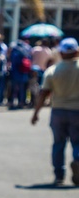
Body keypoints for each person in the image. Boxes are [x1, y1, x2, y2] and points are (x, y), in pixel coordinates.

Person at [31, 37, 79, 186]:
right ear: (77, 51)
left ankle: (59, 175)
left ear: (61, 53)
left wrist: (36, 113)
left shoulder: (52, 71)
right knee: (77, 143)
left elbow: (43, 93)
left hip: (58, 111)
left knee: (58, 144)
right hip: (77, 111)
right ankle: (77, 160)